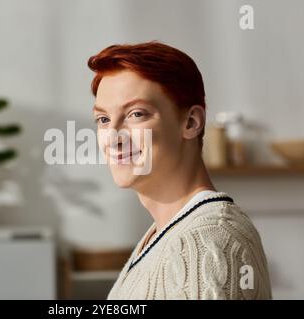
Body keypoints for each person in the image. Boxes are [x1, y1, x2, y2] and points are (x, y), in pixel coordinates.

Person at [87, 41, 272, 299]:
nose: (113, 137)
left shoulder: (207, 240)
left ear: (191, 122)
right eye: (103, 119)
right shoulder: (166, 234)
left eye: (136, 114)